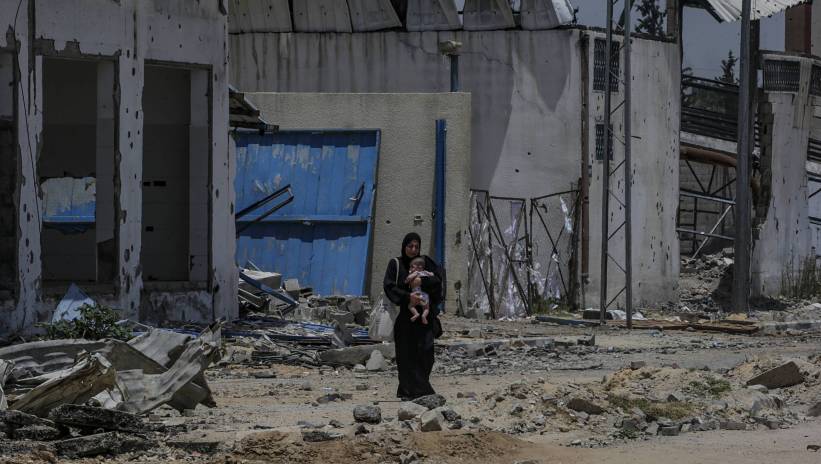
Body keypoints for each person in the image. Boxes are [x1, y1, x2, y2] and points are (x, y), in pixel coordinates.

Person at [383, 232, 443, 400]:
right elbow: (389, 286)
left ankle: (419, 389)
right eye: (410, 246)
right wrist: (408, 297)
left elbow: (438, 281)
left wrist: (421, 283)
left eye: (416, 246)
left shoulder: (425, 262)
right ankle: (410, 391)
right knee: (406, 355)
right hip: (406, 318)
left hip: (425, 320)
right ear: (404, 246)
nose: (413, 250)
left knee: (426, 354)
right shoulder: (396, 264)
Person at [406, 256, 434, 324]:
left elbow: (408, 279)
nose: (410, 268)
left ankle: (416, 314)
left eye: (412, 266)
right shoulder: (424, 272)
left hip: (416, 294)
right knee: (426, 308)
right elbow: (432, 274)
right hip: (424, 295)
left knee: (410, 306)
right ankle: (424, 316)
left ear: (417, 267)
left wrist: (407, 279)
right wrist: (429, 273)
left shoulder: (416, 273)